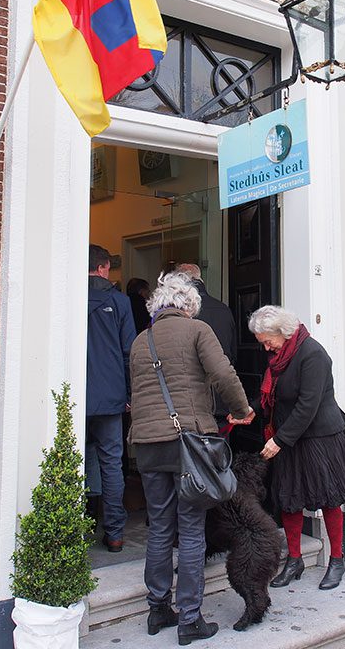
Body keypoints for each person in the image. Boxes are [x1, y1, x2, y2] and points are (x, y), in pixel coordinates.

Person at [129, 271, 254, 644]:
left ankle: (157, 610)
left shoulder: (140, 341)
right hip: (188, 443)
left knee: (160, 527)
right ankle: (189, 619)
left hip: (148, 445)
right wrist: (242, 409)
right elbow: (224, 374)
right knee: (191, 528)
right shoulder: (197, 330)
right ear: (189, 305)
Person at [237, 305, 345, 591]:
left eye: (266, 340)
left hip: (320, 437)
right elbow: (273, 395)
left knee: (329, 499)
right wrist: (251, 410)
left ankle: (336, 559)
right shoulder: (279, 355)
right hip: (290, 436)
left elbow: (307, 405)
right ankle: (294, 560)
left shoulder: (313, 354)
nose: (264, 347)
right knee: (288, 497)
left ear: (282, 332)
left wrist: (280, 440)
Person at [87, 244, 137, 552]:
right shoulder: (120, 302)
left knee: (72, 460)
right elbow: (129, 352)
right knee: (111, 464)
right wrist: (130, 393)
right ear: (105, 267)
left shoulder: (68, 295)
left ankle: (73, 528)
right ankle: (115, 534)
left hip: (74, 396)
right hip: (111, 397)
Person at [176, 263, 237, 429]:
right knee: (220, 450)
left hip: (189, 400)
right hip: (221, 397)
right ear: (200, 280)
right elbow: (233, 355)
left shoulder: (178, 314)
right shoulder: (224, 310)